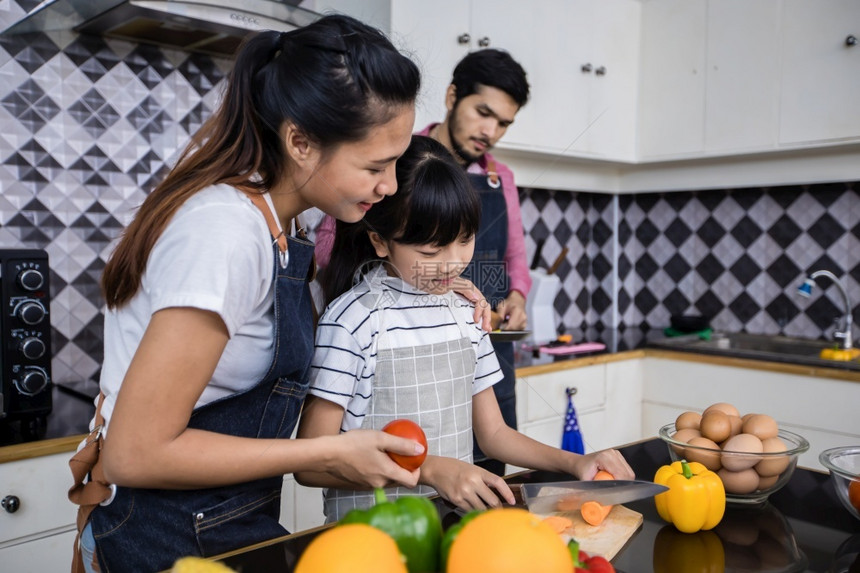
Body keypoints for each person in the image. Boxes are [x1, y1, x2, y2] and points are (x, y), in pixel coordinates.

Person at [66, 15, 434, 573]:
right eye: (375, 166)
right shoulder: (225, 232)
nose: (388, 186)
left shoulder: (284, 226)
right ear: (301, 141)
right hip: (161, 534)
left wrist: (448, 293)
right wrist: (330, 450)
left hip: (221, 521)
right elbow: (134, 453)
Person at [296, 135, 633, 522]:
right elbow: (310, 463)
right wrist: (429, 470)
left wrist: (576, 463)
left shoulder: (465, 312)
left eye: (464, 240)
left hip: (450, 533)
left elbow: (493, 435)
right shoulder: (352, 321)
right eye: (430, 251)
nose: (453, 263)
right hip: (367, 540)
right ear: (380, 241)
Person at [315, 48, 534, 476]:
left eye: (504, 123)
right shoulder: (398, 158)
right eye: (483, 112)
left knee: (484, 468)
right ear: (453, 97)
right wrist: (411, 282)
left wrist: (515, 296)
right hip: (393, 333)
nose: (490, 131)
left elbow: (515, 256)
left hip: (472, 329)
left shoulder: (499, 178)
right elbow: (335, 240)